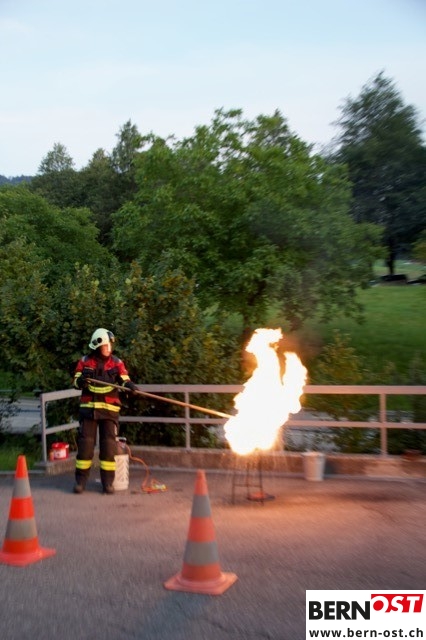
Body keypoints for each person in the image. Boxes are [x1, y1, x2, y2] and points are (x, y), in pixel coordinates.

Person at [72, 328, 136, 495]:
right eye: (106, 346)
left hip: (109, 411)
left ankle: (108, 483)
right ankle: (80, 482)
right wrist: (82, 380)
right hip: (89, 410)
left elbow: (124, 378)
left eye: (110, 346)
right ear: (97, 345)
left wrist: (129, 386)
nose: (109, 349)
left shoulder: (116, 363)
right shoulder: (85, 362)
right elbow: (75, 383)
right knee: (85, 447)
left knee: (108, 448)